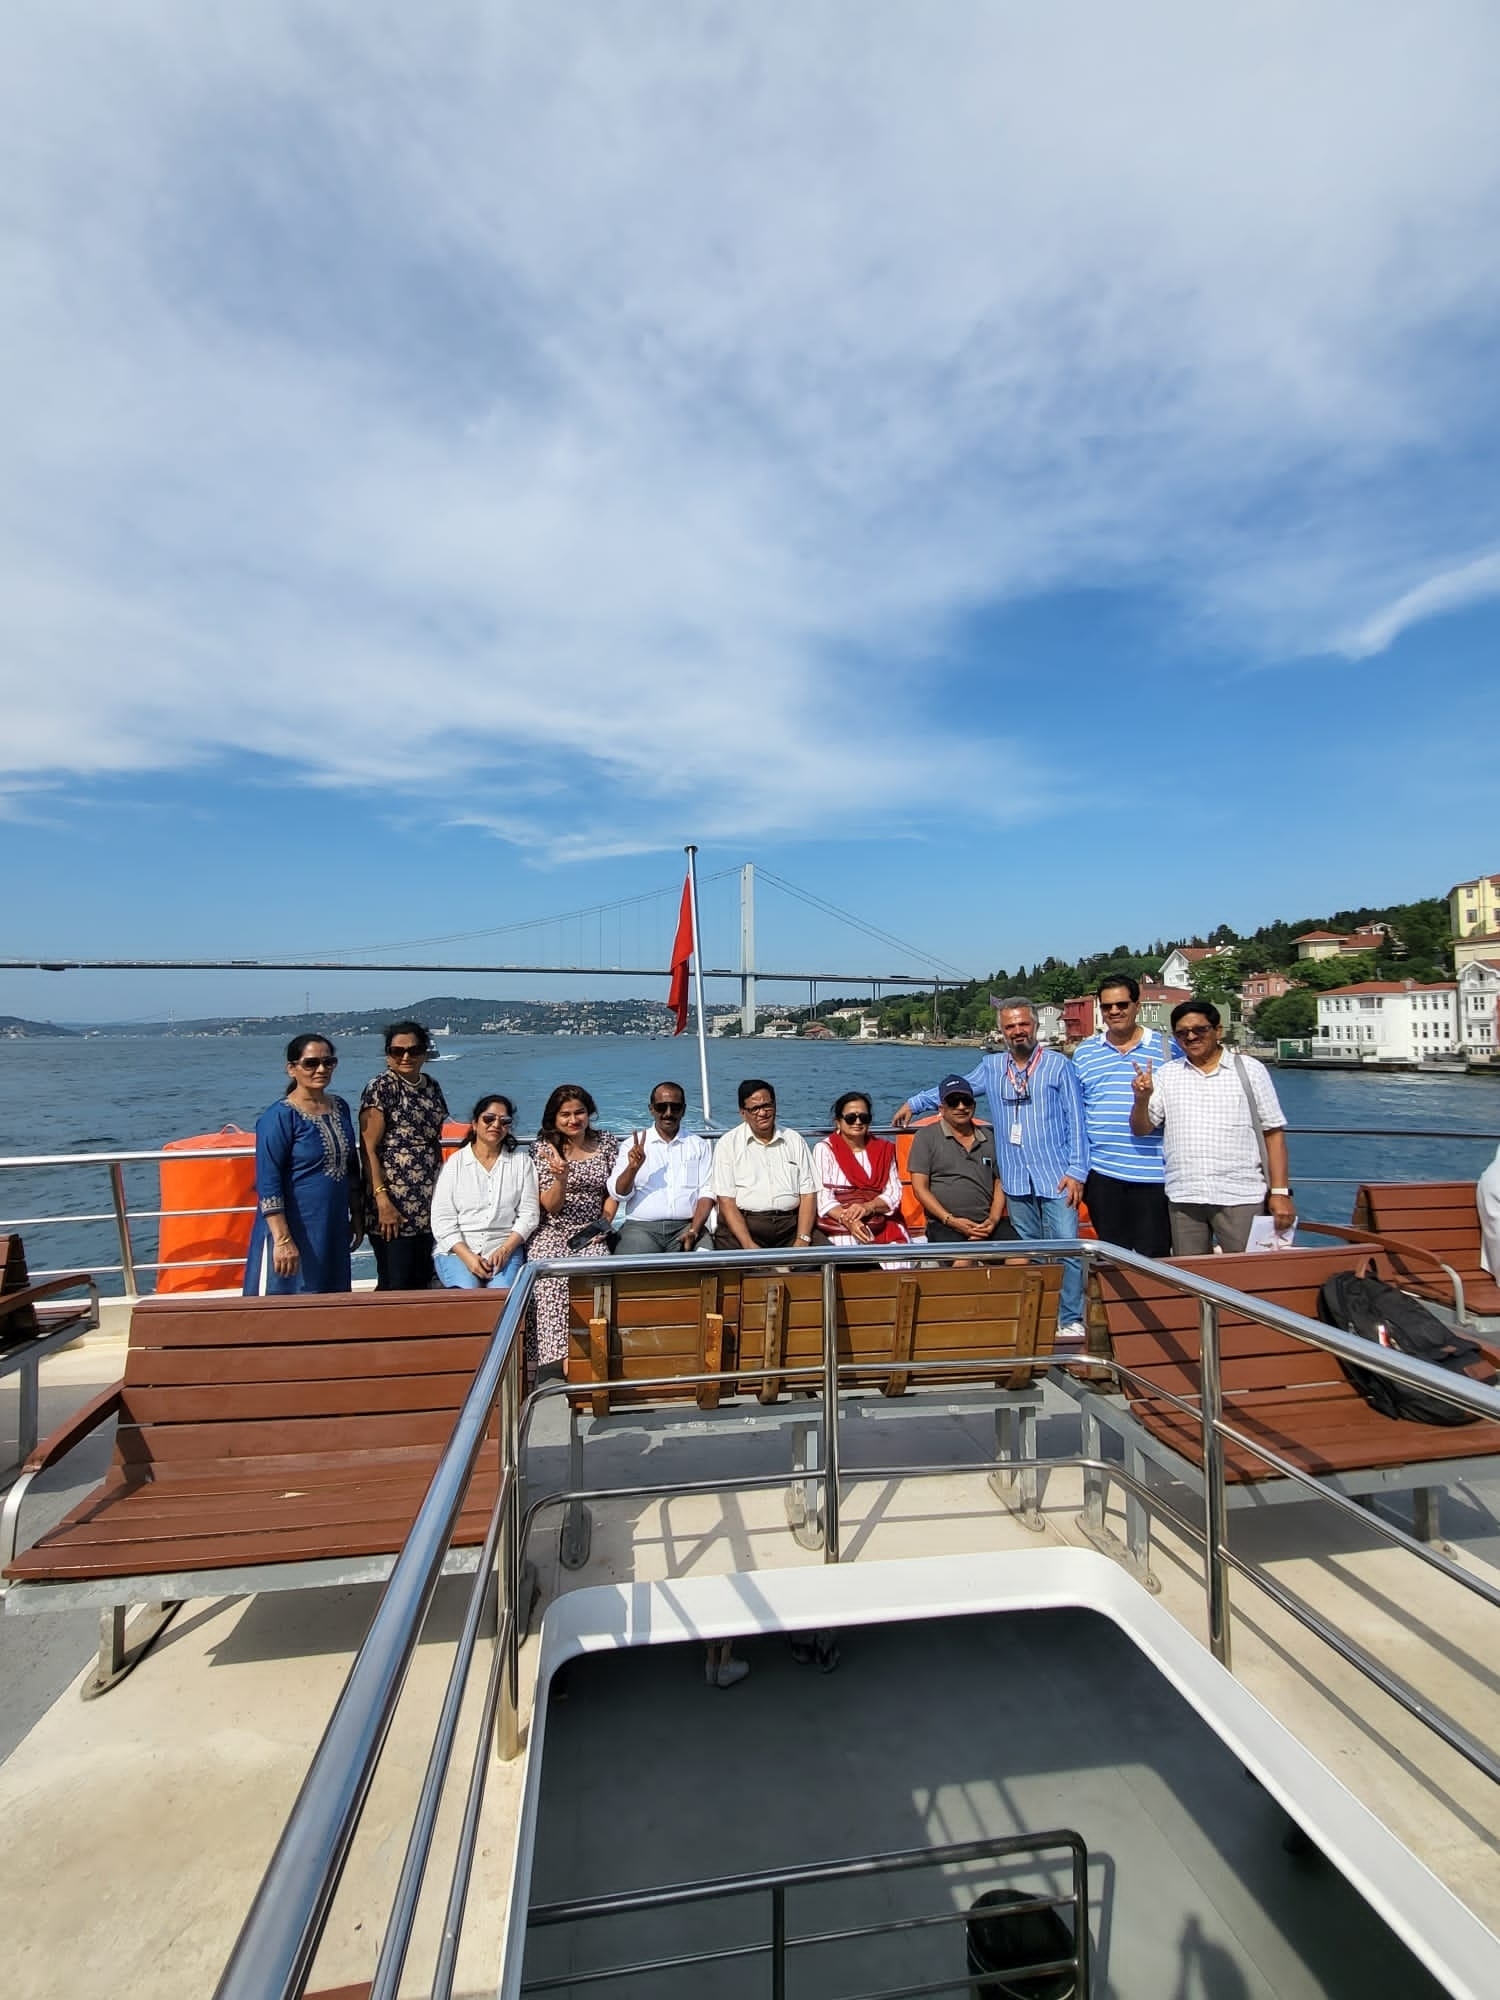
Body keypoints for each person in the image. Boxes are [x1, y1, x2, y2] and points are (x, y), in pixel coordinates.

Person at [894, 1000, 1088, 1338]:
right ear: (1002, 1032)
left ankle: (1070, 1318)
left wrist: (1077, 1171)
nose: (1018, 1032)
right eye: (1010, 1027)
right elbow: (956, 1090)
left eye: (1023, 1024)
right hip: (1015, 1178)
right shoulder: (992, 1066)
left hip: (1056, 1175)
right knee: (1028, 1250)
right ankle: (1039, 1317)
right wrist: (914, 1103)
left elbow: (1077, 1119)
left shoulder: (1059, 1066)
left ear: (1035, 1026)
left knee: (1066, 1247)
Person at [1130, 999, 1294, 1254]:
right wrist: (1141, 1099)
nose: (1191, 1037)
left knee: (1248, 1271)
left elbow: (1273, 1133)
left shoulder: (1250, 1070)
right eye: (1182, 1033)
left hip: (1240, 1194)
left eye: (1200, 1029)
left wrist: (1280, 1192)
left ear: (1218, 1031)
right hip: (1185, 1195)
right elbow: (1142, 1129)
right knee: (1189, 1274)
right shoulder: (1167, 1074)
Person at [243, 1033, 362, 1295]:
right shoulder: (280, 1117)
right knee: (288, 1303)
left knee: (332, 1300)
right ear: (292, 1069)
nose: (321, 1069)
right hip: (294, 1229)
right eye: (311, 1063)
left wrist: (356, 1215)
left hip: (332, 1225)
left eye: (328, 1062)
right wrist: (282, 1240)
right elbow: (268, 1181)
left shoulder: (340, 1108)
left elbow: (351, 1167)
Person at [1072, 973, 1176, 1258]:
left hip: (1154, 1175)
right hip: (1103, 1174)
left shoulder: (1168, 1049)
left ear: (1136, 1006)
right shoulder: (1085, 1053)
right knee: (1110, 1259)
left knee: (1154, 1258)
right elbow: (1076, 1112)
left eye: (1122, 1004)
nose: (1114, 1011)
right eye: (1107, 1006)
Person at [528, 1084, 620, 1381]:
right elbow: (550, 1206)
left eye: (579, 1112)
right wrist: (561, 1179)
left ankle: (597, 1353)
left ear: (589, 1112)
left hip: (592, 1229)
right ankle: (564, 1361)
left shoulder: (606, 1142)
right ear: (554, 1118)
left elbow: (614, 1191)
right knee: (549, 1280)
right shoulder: (544, 1149)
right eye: (565, 1114)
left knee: (597, 1277)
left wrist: (605, 1221)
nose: (573, 1120)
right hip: (553, 1229)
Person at [359, 1020, 448, 1291]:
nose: (406, 1057)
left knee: (423, 1280)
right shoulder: (381, 1088)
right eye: (397, 1051)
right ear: (388, 1055)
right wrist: (382, 1200)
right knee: (395, 1282)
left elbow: (433, 1141)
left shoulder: (432, 1087)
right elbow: (368, 1148)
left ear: (424, 1053)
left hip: (428, 1203)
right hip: (393, 1203)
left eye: (414, 1050)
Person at [430, 1094, 540, 1288]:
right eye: (489, 1119)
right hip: (458, 1250)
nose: (496, 1125)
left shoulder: (522, 1163)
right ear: (474, 1124)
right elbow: (442, 1219)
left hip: (505, 1247)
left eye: (504, 1121)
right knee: (468, 1291)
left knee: (502, 1293)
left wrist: (506, 1250)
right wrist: (468, 1257)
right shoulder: (455, 1164)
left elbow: (529, 1214)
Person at [906, 1076, 1014, 1252]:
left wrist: (993, 1219)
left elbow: (999, 1181)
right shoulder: (925, 1137)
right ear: (942, 1108)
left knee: (1020, 1256)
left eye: (966, 1101)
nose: (961, 1107)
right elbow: (920, 1188)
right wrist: (950, 1220)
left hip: (988, 1222)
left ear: (974, 1105)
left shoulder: (990, 1137)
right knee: (963, 1260)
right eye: (953, 1102)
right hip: (944, 1223)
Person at [711, 1079, 819, 1251]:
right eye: (755, 1109)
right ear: (743, 1113)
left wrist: (803, 1238)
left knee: (829, 1257)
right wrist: (748, 1244)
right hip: (745, 1226)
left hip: (790, 1226)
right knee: (736, 1264)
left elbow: (808, 1194)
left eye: (767, 1106)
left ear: (775, 1106)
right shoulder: (728, 1144)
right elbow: (726, 1201)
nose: (762, 1113)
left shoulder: (794, 1140)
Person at [608, 1082, 715, 1255]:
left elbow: (707, 1192)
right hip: (641, 1228)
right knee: (630, 1267)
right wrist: (632, 1168)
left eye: (675, 1107)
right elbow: (619, 1193)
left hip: (687, 1225)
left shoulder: (698, 1145)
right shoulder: (632, 1146)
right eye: (661, 1107)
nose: (668, 1113)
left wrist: (694, 1230)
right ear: (651, 1109)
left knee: (706, 1260)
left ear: (684, 1110)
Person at [813, 1092, 910, 1251]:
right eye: (851, 1118)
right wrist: (849, 1220)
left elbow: (894, 1192)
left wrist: (868, 1207)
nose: (857, 1122)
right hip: (839, 1222)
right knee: (850, 1251)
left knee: (898, 1256)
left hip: (880, 1219)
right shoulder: (824, 1149)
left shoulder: (884, 1149)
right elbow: (823, 1197)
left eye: (864, 1118)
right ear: (838, 1122)